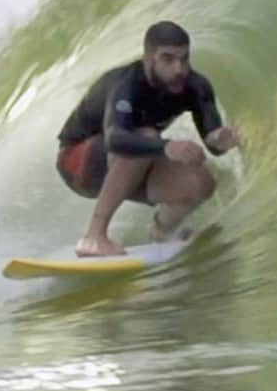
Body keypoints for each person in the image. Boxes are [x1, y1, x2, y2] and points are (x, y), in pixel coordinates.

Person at [56, 21, 240, 257]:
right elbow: (116, 139)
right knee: (144, 136)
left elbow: (213, 142)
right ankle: (94, 237)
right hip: (76, 162)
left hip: (127, 164)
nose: (179, 69)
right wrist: (166, 146)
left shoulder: (196, 86)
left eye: (184, 58)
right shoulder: (126, 84)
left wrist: (220, 139)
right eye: (168, 59)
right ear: (148, 58)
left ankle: (162, 230)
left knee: (201, 182)